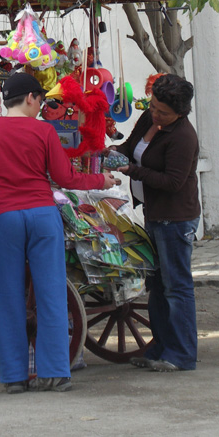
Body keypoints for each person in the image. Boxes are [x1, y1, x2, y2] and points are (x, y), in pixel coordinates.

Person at [0, 72, 118, 394]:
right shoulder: (43, 131)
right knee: (51, 294)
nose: (41, 107)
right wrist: (100, 181)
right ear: (31, 98)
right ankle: (56, 373)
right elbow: (66, 178)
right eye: (41, 101)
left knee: (7, 298)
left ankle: (14, 377)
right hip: (42, 216)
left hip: (3, 219)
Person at [111, 74, 200, 372]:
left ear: (180, 113)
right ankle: (160, 347)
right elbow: (130, 147)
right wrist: (111, 155)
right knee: (157, 285)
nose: (156, 115)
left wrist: (132, 171)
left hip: (175, 218)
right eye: (153, 107)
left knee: (176, 287)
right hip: (153, 213)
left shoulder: (183, 137)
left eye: (163, 113)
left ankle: (183, 354)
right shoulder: (149, 120)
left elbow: (173, 182)